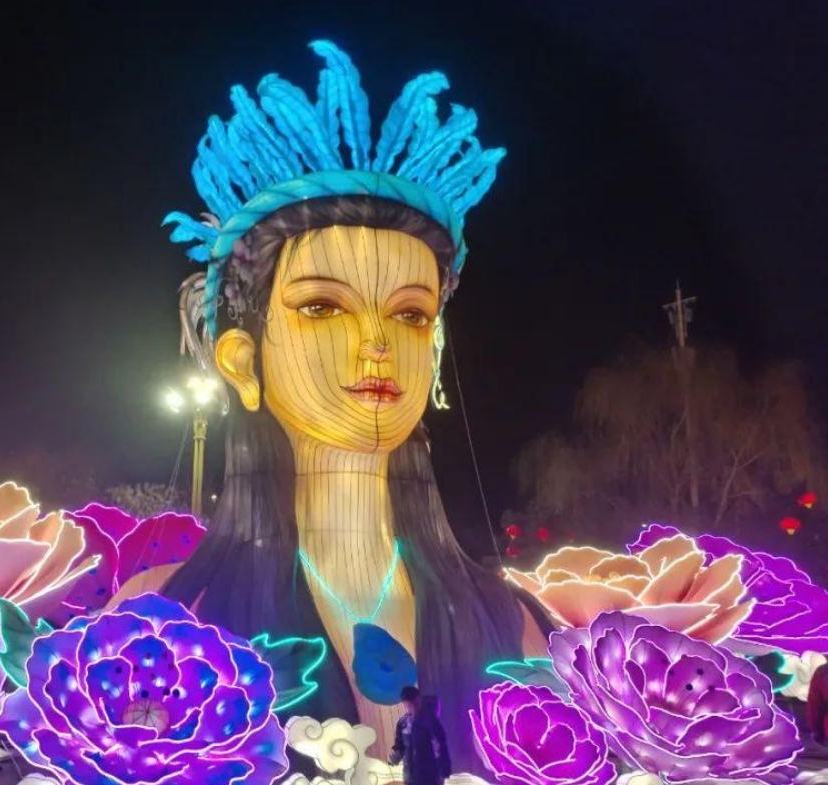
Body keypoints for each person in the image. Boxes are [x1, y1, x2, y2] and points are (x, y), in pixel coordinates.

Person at [111, 41, 551, 771]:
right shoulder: (165, 617)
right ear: (242, 361)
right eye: (322, 306)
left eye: (410, 315)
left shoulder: (508, 625)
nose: (376, 342)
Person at [389, 687, 452, 785]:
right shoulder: (403, 723)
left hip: (430, 777)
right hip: (410, 777)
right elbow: (399, 745)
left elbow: (440, 747)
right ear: (404, 704)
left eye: (416, 704)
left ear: (420, 700)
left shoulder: (431, 721)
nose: (413, 708)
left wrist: (444, 770)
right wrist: (394, 756)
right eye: (410, 705)